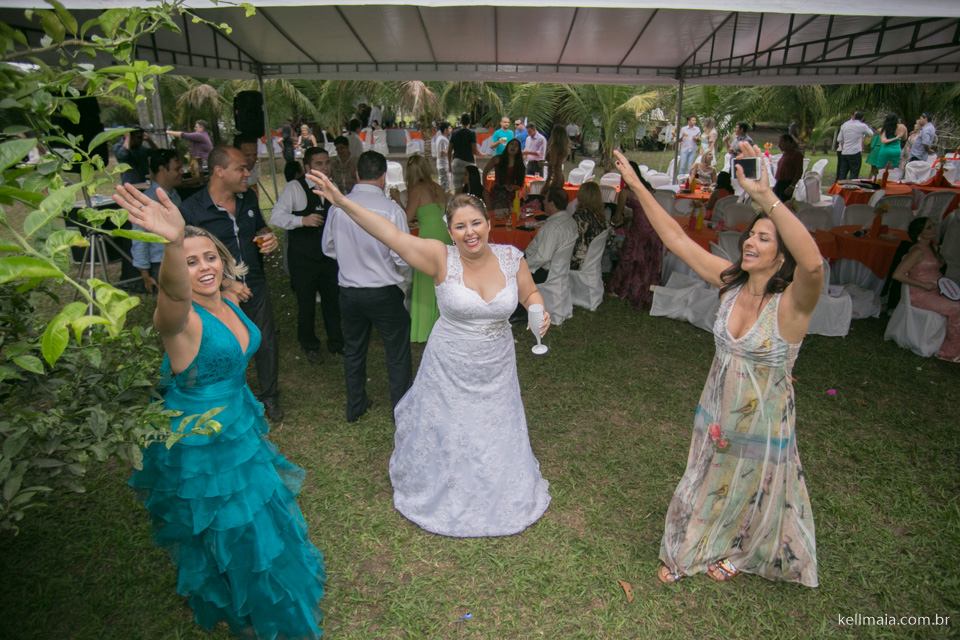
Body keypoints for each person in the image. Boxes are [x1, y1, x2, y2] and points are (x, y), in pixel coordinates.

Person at [112, 184, 326, 640]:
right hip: (201, 442)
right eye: (191, 263)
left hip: (238, 424)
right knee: (232, 530)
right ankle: (246, 613)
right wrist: (172, 244)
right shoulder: (180, 320)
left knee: (261, 516)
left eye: (209, 257)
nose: (203, 267)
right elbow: (172, 294)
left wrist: (223, 282)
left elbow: (219, 283)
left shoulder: (225, 297)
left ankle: (255, 593)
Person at [614, 142, 821, 588]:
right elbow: (675, 239)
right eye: (751, 234)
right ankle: (692, 547)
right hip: (719, 408)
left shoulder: (792, 306)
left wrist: (766, 196)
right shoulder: (730, 284)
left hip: (765, 419)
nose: (749, 241)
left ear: (780, 257)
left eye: (763, 238)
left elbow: (815, 263)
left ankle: (743, 551)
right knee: (705, 478)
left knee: (754, 487)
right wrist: (636, 184)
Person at [309, 164, 552, 537]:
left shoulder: (510, 258)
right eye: (460, 226)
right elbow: (389, 233)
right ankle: (445, 488)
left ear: (487, 223)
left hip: (497, 366)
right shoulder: (440, 257)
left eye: (476, 223)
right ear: (449, 230)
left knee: (494, 429)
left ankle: (497, 487)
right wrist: (341, 202)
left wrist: (537, 310)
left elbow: (530, 294)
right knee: (452, 430)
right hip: (450, 366)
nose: (469, 232)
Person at [180, 146, 285, 422]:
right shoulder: (192, 209)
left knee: (265, 341)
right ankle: (227, 402)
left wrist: (268, 236)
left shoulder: (248, 198)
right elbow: (184, 259)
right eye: (241, 168)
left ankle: (269, 398)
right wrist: (225, 285)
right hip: (214, 295)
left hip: (255, 284)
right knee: (222, 348)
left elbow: (260, 227)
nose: (248, 173)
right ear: (219, 171)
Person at [321, 151, 413, 422]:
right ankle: (401, 410)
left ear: (357, 175)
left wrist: (352, 258)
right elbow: (401, 255)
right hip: (383, 291)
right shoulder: (391, 210)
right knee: (397, 351)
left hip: (349, 292)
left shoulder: (339, 206)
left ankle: (356, 406)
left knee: (354, 349)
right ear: (384, 177)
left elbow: (328, 248)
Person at [270, 147, 344, 364]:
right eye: (319, 163)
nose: (325, 167)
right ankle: (310, 345)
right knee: (306, 304)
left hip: (329, 258)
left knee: (332, 301)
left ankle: (336, 342)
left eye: (327, 162)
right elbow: (276, 216)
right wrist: (301, 221)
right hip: (303, 259)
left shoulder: (333, 187)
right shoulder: (294, 188)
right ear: (308, 168)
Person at [390, 155, 451, 342]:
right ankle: (443, 324)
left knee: (425, 280)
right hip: (444, 237)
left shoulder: (416, 189)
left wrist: (396, 199)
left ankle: (425, 328)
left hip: (428, 238)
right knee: (442, 281)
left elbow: (406, 218)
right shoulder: (437, 187)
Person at [893, 217, 960, 362]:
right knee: (957, 308)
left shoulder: (931, 248)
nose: (934, 229)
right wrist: (923, 285)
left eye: (932, 226)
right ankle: (949, 351)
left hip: (936, 291)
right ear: (919, 233)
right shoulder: (917, 251)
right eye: (928, 228)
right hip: (921, 295)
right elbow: (897, 274)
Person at [608, 162, 662, 309]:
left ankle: (624, 289)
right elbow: (643, 211)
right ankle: (645, 290)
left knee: (631, 257)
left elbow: (617, 217)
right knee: (647, 259)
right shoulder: (647, 187)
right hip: (654, 226)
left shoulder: (625, 192)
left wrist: (613, 222)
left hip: (640, 228)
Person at [132, 149, 183, 294]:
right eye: (177, 168)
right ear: (161, 169)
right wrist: (144, 273)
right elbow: (139, 237)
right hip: (160, 264)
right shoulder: (147, 200)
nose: (181, 172)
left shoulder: (174, 196)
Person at [523, 187, 575, 283]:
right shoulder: (570, 221)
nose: (543, 201)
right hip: (559, 269)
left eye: (546, 199)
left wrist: (522, 265)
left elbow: (543, 257)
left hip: (544, 272)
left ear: (552, 204)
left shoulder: (552, 228)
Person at [569, 182, 609, 271]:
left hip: (579, 263)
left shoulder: (580, 216)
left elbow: (571, 240)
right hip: (593, 263)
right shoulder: (599, 216)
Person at [482, 138, 526, 212]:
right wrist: (484, 188)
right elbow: (485, 171)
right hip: (497, 191)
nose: (513, 147)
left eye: (516, 146)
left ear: (518, 150)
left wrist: (515, 188)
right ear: (507, 146)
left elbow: (520, 182)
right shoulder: (497, 158)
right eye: (511, 144)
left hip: (511, 193)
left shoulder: (519, 163)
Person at [836, 110, 875, 180]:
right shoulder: (862, 126)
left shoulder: (845, 125)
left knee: (842, 173)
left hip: (845, 152)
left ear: (854, 117)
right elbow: (871, 134)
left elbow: (839, 139)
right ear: (862, 118)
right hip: (855, 152)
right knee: (854, 173)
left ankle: (840, 189)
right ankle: (851, 188)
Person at [449, 113, 483, 191]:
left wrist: (449, 164)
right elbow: (474, 150)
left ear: (461, 122)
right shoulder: (472, 134)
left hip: (456, 161)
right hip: (469, 162)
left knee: (457, 186)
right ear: (470, 122)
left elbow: (449, 150)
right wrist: (482, 154)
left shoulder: (454, 133)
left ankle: (457, 201)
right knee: (471, 185)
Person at [772, 134, 804, 202]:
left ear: (788, 143)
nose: (779, 146)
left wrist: (791, 186)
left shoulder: (797, 155)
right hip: (779, 183)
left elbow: (799, 172)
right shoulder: (785, 154)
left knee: (783, 204)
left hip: (787, 184)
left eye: (781, 143)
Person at [544, 124, 569, 191]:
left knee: (544, 195)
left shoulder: (554, 146)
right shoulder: (562, 147)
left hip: (553, 175)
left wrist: (543, 164)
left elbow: (552, 162)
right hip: (560, 175)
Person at [434, 121, 452, 192]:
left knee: (444, 183)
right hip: (443, 165)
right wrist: (452, 152)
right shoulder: (442, 140)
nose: (451, 130)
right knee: (445, 185)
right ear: (445, 130)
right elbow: (442, 153)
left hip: (442, 164)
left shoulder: (441, 138)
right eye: (449, 128)